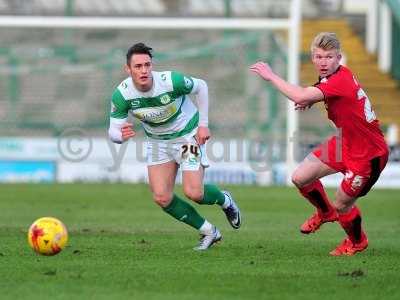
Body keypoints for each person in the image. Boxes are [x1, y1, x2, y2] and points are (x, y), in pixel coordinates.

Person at [250, 32, 389, 256]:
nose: (323, 62)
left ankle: (357, 242)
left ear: (338, 58)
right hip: (345, 143)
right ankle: (325, 213)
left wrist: (272, 76)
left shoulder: (339, 80)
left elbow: (300, 96)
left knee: (342, 204)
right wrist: (311, 98)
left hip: (368, 154)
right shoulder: (335, 78)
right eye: (318, 57)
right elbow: (320, 93)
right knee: (300, 177)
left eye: (329, 57)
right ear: (313, 58)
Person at [108, 42, 241, 251]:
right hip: (158, 143)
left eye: (147, 65)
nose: (144, 70)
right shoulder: (122, 95)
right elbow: (113, 131)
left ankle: (225, 200)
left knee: (194, 193)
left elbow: (202, 86)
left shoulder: (170, 81)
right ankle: (209, 231)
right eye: (138, 66)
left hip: (187, 137)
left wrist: (203, 125)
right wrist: (119, 137)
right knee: (162, 197)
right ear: (128, 69)